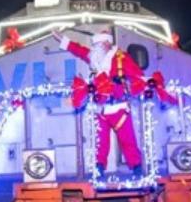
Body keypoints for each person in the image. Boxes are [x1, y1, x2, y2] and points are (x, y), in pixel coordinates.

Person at [53, 26, 145, 175]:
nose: (95, 47)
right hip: (100, 107)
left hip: (119, 107)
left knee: (128, 139)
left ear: (107, 44)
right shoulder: (95, 58)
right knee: (100, 142)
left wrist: (145, 83)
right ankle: (99, 168)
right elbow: (79, 50)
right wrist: (62, 40)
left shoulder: (122, 58)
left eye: (98, 44)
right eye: (94, 45)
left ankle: (136, 167)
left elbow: (138, 74)